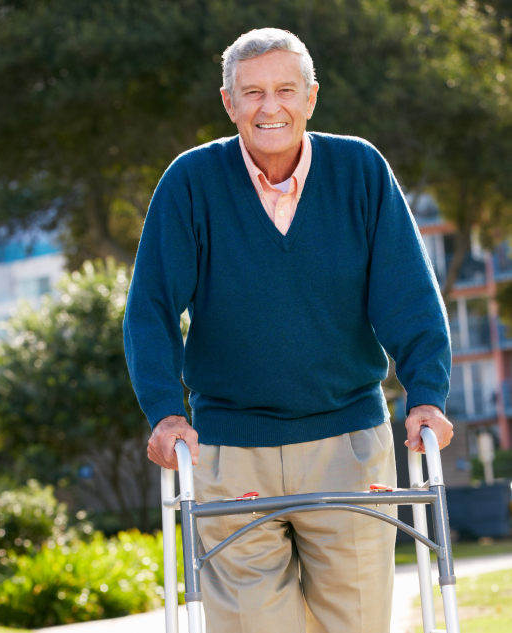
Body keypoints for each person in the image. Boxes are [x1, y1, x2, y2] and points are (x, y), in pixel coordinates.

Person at [124, 28, 453, 633]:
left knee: (356, 623)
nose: (268, 107)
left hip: (350, 444)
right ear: (228, 103)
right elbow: (150, 308)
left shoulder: (360, 170)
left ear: (311, 97)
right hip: (228, 450)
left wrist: (427, 396)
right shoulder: (190, 182)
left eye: (284, 90)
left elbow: (410, 297)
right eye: (251, 92)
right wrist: (166, 412)